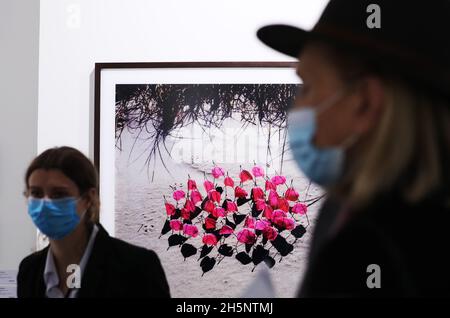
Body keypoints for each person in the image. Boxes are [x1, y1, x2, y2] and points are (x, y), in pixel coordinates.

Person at [258, 0, 450, 296]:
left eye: (307, 87)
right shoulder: (341, 211)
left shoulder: (366, 252)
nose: (296, 108)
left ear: (365, 102)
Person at [17, 146, 170, 298]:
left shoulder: (137, 267)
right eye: (36, 193)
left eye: (59, 194)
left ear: (88, 199)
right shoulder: (29, 270)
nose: (45, 204)